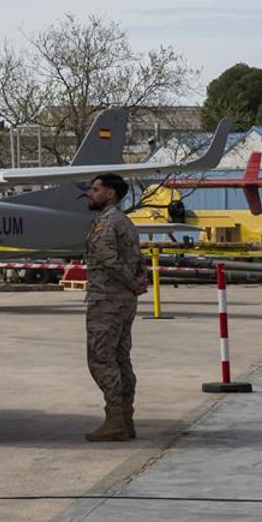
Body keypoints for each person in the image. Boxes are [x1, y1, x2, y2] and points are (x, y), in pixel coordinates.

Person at [82, 173, 147, 442]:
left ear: (110, 194)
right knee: (120, 358)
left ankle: (116, 418)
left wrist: (131, 282)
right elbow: (138, 257)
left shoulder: (107, 222)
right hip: (124, 300)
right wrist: (138, 281)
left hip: (107, 299)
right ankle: (126, 417)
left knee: (100, 358)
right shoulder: (125, 221)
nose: (90, 193)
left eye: (96, 189)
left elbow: (107, 258)